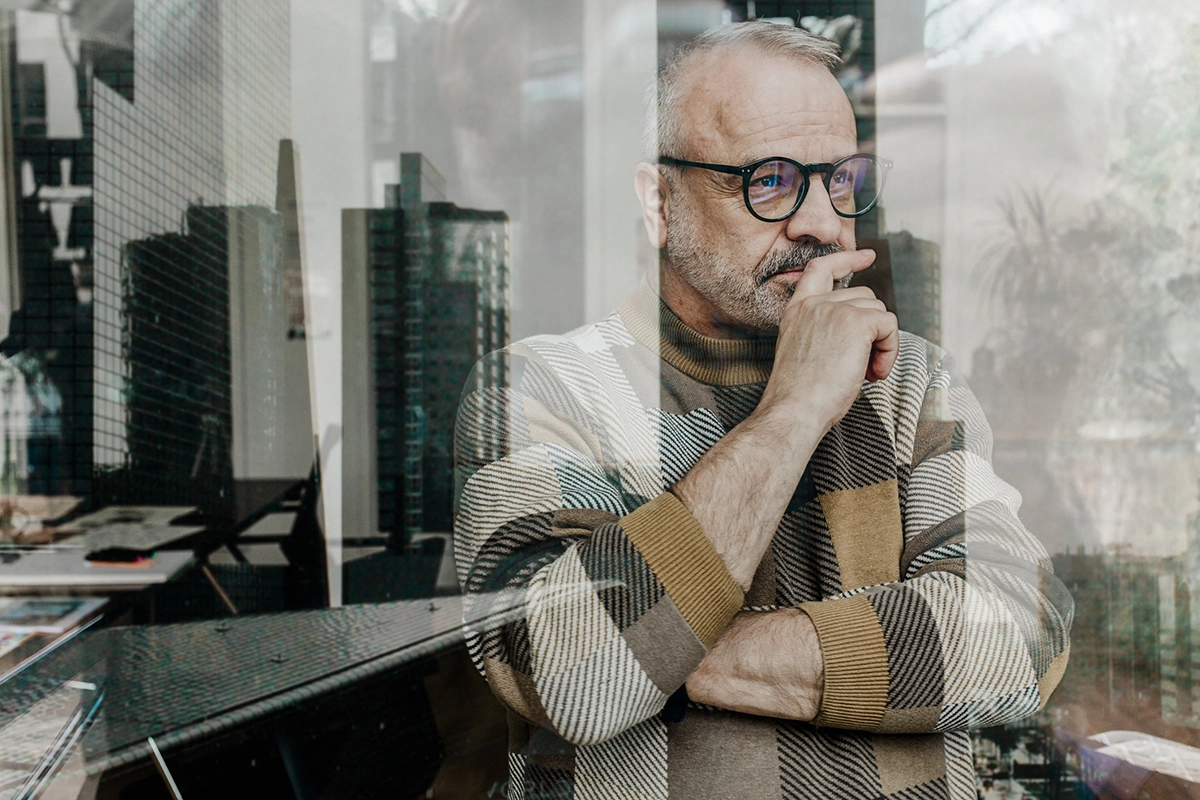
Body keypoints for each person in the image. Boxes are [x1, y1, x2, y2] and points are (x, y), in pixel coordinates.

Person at [454, 21, 1072, 799]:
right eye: (770, 180)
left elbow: (1021, 640)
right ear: (658, 200)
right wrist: (794, 407)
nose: (822, 223)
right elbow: (569, 677)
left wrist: (669, 655)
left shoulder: (907, 379)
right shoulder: (541, 387)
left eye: (840, 179)